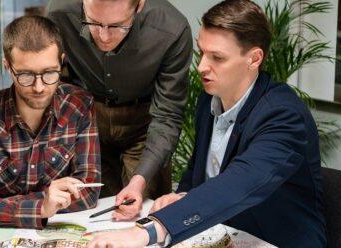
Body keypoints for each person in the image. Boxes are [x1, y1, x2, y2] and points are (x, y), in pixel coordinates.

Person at [88, 0, 327, 247]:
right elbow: (199, 172)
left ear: (254, 59)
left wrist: (149, 231)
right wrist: (182, 196)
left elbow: (238, 183)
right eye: (202, 52)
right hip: (222, 234)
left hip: (272, 239)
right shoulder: (210, 99)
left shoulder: (284, 115)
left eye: (217, 57)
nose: (201, 66)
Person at [46, 0, 192, 220]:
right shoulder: (60, 13)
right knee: (95, 213)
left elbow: (167, 115)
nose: (103, 37)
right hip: (89, 120)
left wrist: (139, 180)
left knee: (142, 211)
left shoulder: (172, 29)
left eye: (117, 26)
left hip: (145, 124)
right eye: (93, 23)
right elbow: (59, 83)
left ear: (139, 5)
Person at [0, 16, 100, 229]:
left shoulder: (79, 106)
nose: (39, 87)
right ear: (7, 66)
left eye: (50, 73)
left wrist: (8, 207)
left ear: (62, 61)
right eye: (26, 75)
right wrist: (41, 206)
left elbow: (88, 191)